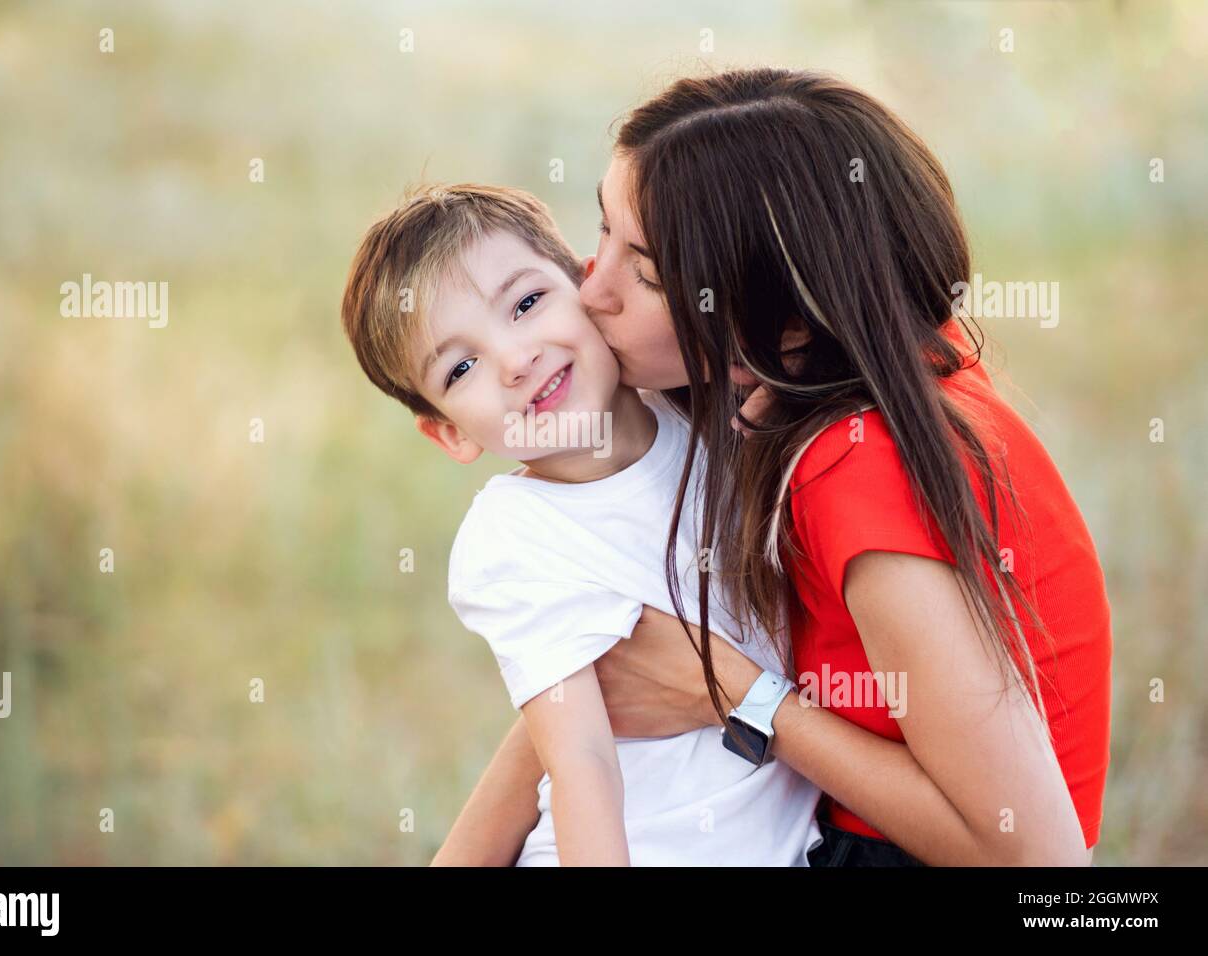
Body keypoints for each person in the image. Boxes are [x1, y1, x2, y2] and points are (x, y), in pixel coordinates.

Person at [435, 69, 1113, 866]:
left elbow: (1040, 860)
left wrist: (744, 698)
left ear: (784, 324)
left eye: (646, 273)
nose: (592, 290)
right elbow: (609, 690)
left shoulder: (856, 470)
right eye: (602, 232)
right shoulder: (864, 378)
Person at [341, 183, 822, 865]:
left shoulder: (701, 411)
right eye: (463, 366)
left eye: (527, 303)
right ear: (449, 433)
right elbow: (581, 764)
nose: (515, 359)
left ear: (587, 284)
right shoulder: (514, 539)